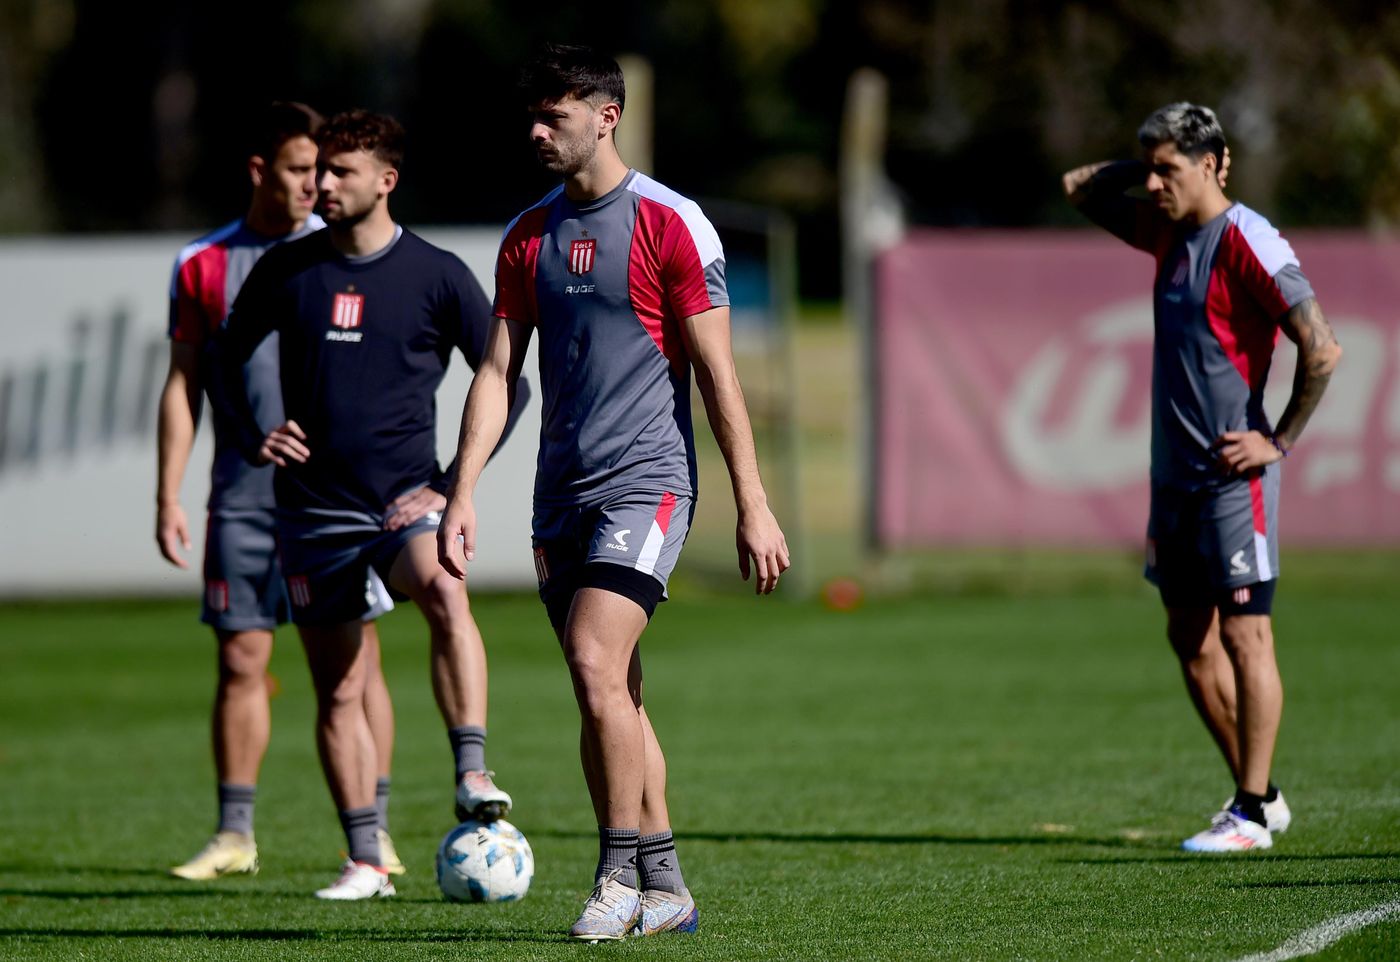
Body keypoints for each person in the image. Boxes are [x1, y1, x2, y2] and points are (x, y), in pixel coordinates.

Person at [438, 43, 790, 938]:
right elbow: (496, 370)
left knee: (597, 666)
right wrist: (462, 490)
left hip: (649, 484)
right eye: (534, 115)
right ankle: (668, 888)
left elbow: (717, 374)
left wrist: (752, 500)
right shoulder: (529, 234)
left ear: (607, 116)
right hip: (562, 498)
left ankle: (617, 877)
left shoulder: (673, 223)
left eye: (553, 115)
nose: (536, 131)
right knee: (615, 692)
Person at [217, 109, 517, 900]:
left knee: (445, 588)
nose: (321, 184)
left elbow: (506, 383)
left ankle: (472, 768)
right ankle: (365, 861)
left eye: (339, 172)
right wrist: (254, 434)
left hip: (401, 504)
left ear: (386, 181)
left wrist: (453, 483)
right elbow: (219, 359)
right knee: (339, 688)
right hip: (311, 512)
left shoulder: (438, 273)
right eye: (318, 170)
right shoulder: (288, 269)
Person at [1064, 103, 1342, 852]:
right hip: (1175, 476)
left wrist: (1276, 441)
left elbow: (1323, 349)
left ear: (1217, 165)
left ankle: (1250, 812)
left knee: (1248, 635)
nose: (1152, 183)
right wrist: (1152, 163)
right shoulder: (1167, 232)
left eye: (1168, 169)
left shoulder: (1247, 239)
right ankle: (1263, 795)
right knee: (1189, 639)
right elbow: (1079, 187)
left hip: (1232, 479)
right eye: (1148, 169)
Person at [157, 101, 405, 881]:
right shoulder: (203, 264)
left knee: (357, 664)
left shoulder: (338, 254)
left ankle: (376, 832)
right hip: (242, 494)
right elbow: (184, 382)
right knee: (240, 659)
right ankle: (235, 833)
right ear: (261, 170)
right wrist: (167, 494)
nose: (317, 184)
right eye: (302, 169)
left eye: (327, 170)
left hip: (332, 500)